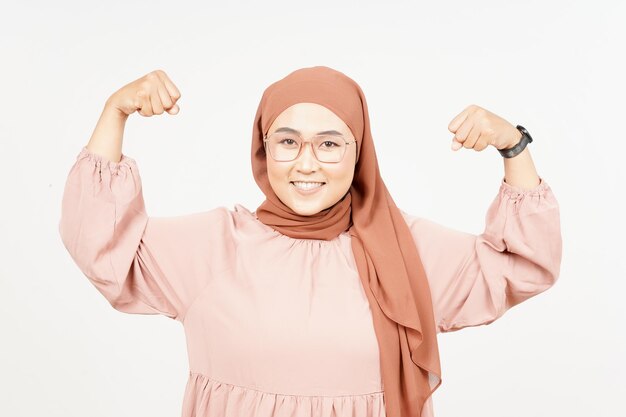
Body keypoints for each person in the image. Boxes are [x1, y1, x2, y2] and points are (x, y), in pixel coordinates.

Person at [59, 66, 563, 417]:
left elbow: (524, 265)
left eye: (329, 143)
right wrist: (115, 112)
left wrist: (513, 146)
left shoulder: (406, 250)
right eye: (287, 141)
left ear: (358, 151)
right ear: (263, 148)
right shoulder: (214, 245)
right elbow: (101, 243)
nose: (306, 163)